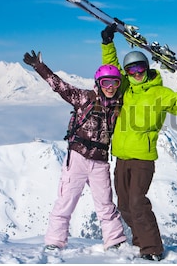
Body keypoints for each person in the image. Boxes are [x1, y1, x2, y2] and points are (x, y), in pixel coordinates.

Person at [100, 24, 177, 261]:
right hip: (121, 156)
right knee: (124, 205)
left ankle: (152, 249)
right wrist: (107, 42)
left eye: (140, 68)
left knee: (138, 202)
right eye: (131, 70)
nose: (136, 73)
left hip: (143, 158)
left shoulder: (160, 93)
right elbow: (110, 70)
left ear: (147, 68)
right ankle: (140, 241)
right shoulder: (125, 88)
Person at [23, 50, 127, 251]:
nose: (110, 87)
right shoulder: (84, 98)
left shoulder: (119, 106)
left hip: (100, 161)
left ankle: (115, 242)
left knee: (105, 205)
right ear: (98, 83)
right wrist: (39, 67)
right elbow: (60, 87)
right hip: (78, 157)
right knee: (65, 201)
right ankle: (54, 241)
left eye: (115, 83)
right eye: (106, 83)